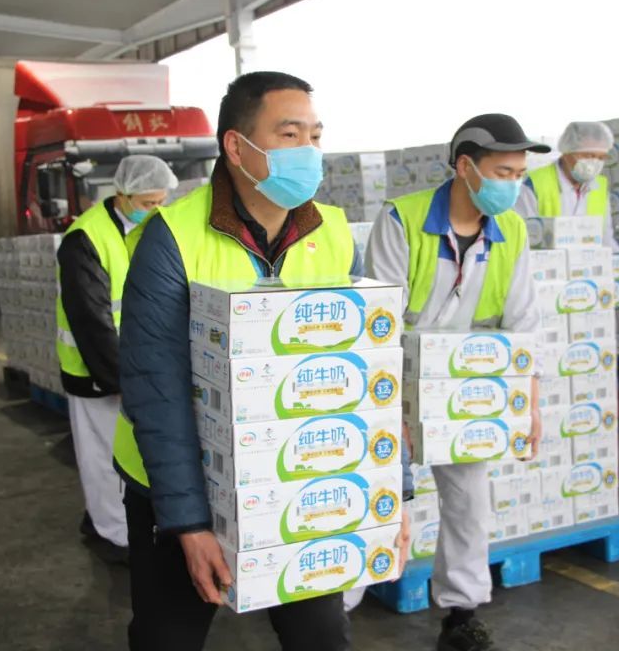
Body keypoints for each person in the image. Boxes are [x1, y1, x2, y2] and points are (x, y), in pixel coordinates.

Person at [114, 72, 408, 651]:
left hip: (299, 473)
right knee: (167, 638)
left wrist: (390, 495)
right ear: (237, 146)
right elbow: (157, 388)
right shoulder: (172, 237)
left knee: (321, 636)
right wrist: (189, 523)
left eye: (315, 136)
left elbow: (367, 371)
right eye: (290, 134)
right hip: (178, 484)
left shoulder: (331, 234)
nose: (309, 151)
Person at [363, 114, 546, 651]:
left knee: (469, 502)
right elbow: (379, 323)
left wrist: (529, 405)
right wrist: (394, 408)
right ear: (466, 167)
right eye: (503, 173)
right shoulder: (402, 219)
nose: (513, 185)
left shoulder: (511, 230)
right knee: (378, 496)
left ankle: (461, 614)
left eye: (519, 174)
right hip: (394, 381)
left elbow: (523, 324)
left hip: (469, 384)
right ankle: (337, 610)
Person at [56, 154, 176, 563]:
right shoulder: (85, 238)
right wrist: (119, 381)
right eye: (147, 203)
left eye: (160, 202)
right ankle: (114, 535)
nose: (155, 210)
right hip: (97, 373)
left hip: (138, 369)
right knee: (103, 457)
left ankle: (99, 519)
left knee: (128, 456)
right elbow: (90, 319)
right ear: (122, 195)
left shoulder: (146, 230)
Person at [514, 121, 619, 249]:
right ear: (567, 152)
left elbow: (606, 238)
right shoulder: (535, 183)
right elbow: (522, 238)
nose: (594, 163)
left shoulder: (599, 187)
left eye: (601, 158)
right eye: (588, 155)